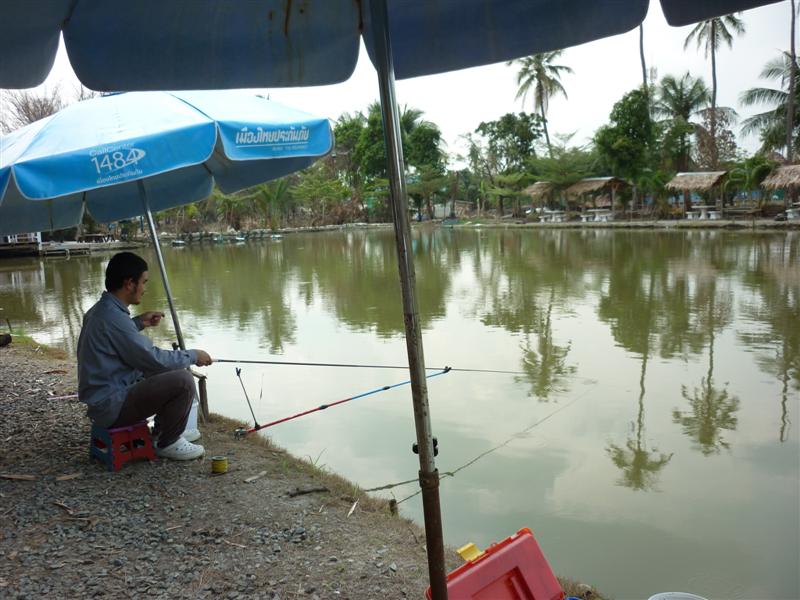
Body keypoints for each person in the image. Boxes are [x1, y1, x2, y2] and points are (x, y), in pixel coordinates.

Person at [77, 252, 212, 460]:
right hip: (111, 406)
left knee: (167, 371)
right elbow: (154, 359)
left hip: (104, 400)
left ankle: (167, 429)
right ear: (129, 283)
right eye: (143, 282)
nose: (144, 288)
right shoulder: (113, 317)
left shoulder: (102, 310)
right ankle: (167, 441)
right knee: (183, 380)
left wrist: (139, 322)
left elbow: (115, 339)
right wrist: (194, 355)